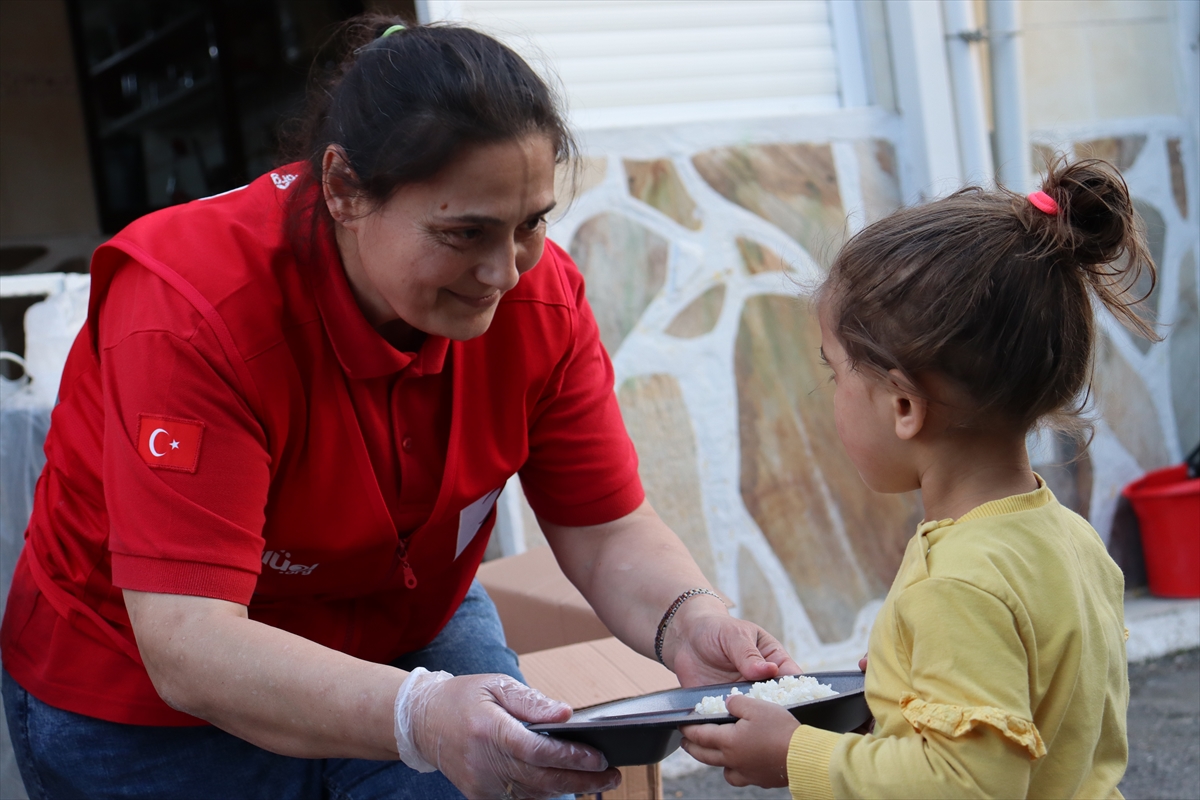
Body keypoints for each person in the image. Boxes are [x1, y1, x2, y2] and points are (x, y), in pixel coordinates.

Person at [0, 17, 799, 800]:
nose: (503, 274)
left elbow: (604, 527)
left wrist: (689, 624)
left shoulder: (540, 298)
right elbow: (189, 643)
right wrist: (419, 714)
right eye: (464, 233)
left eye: (530, 224)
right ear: (344, 188)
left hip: (398, 625)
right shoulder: (193, 309)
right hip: (145, 699)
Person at [680, 159, 1153, 799]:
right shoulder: (1067, 538)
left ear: (904, 406)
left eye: (837, 373)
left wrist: (798, 755)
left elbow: (969, 785)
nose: (832, 397)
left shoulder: (959, 583)